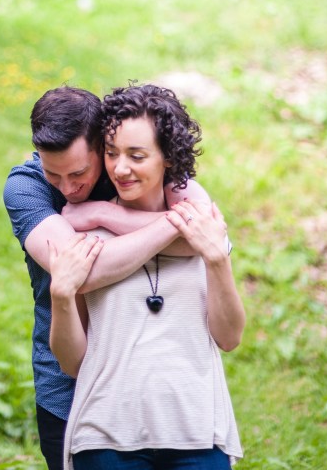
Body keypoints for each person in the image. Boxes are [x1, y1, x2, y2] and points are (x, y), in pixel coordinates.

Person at [3, 85, 212, 470]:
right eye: (55, 175)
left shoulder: (132, 168)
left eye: (79, 173)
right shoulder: (25, 187)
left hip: (152, 389)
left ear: (103, 144)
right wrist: (176, 226)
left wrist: (104, 215)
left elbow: (211, 235)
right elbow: (81, 272)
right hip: (67, 386)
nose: (68, 189)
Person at [49, 83, 245, 470]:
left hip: (196, 431)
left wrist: (217, 260)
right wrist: (61, 295)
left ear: (168, 159)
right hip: (106, 435)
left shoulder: (203, 232)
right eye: (111, 154)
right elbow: (73, 363)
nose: (120, 168)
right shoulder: (84, 236)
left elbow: (229, 337)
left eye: (136, 156)